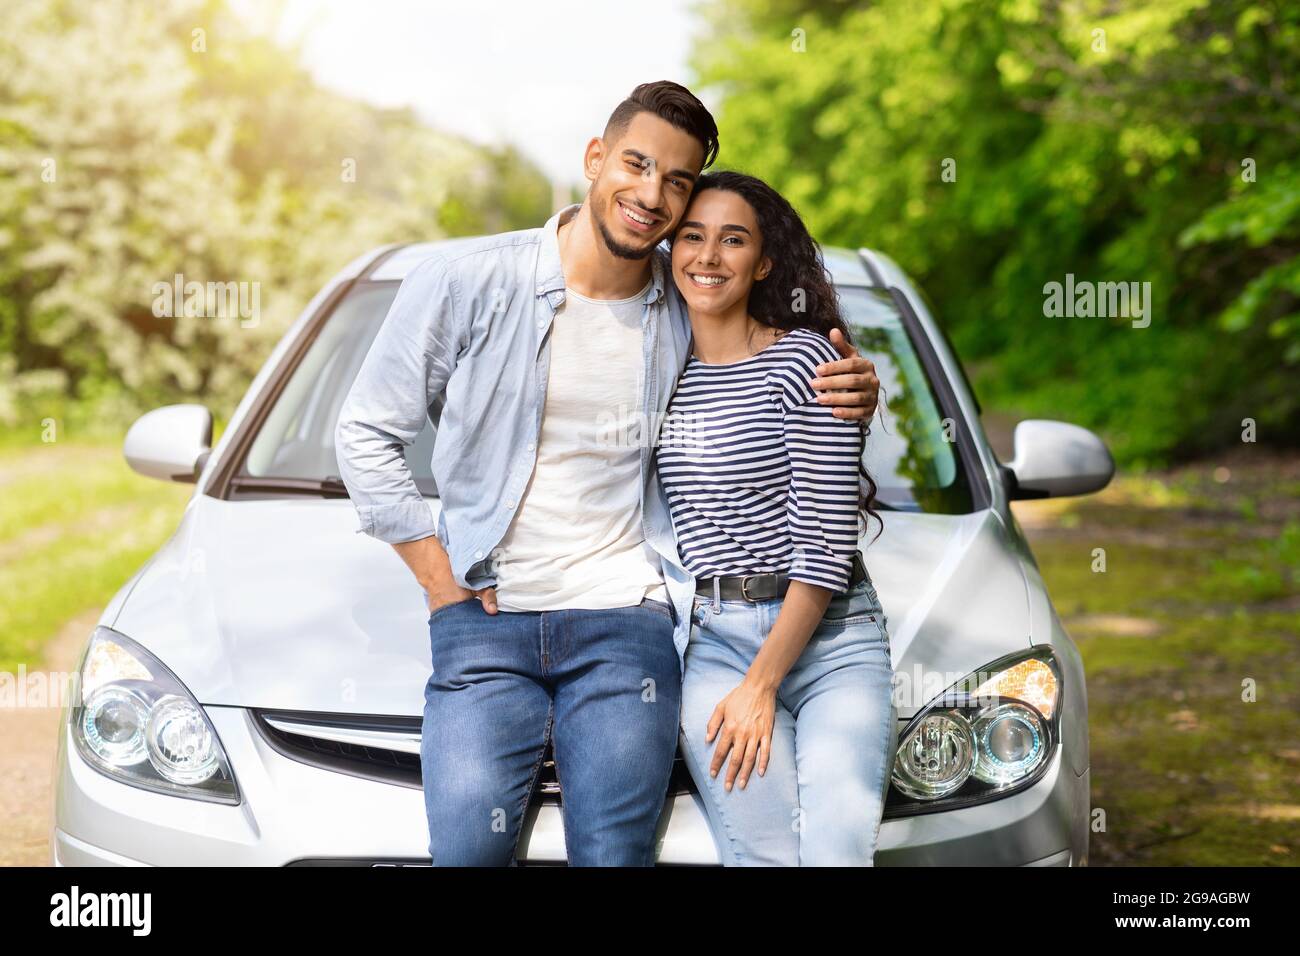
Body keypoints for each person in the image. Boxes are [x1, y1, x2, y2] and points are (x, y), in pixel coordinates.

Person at [334, 81, 880, 866]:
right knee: (463, 853)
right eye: (636, 164)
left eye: (678, 181)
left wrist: (853, 383)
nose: (652, 195)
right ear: (595, 160)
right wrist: (437, 577)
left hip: (628, 623)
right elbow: (365, 432)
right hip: (484, 622)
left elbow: (765, 369)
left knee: (616, 855)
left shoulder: (685, 295)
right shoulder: (467, 282)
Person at [656, 171, 896, 865]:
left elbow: (824, 548)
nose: (707, 256)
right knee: (757, 855)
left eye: (733, 240)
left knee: (833, 854)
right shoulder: (656, 373)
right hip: (715, 644)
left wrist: (760, 685)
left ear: (762, 262)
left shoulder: (806, 361)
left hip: (832, 641)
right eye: (691, 236)